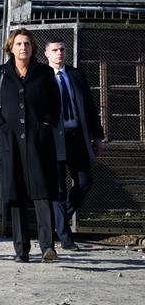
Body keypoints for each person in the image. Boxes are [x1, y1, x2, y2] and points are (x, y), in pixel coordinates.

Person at [0, 28, 60, 263]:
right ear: (11, 47)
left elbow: (54, 106)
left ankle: (48, 246)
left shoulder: (45, 73)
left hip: (38, 143)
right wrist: (0, 130)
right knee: (16, 195)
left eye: (27, 44)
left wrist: (45, 126)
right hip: (11, 144)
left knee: (42, 194)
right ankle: (21, 249)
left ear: (33, 48)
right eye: (18, 44)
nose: (23, 48)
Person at [44, 38, 105, 251]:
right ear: (47, 54)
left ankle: (59, 221)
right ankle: (64, 235)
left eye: (62, 49)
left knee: (84, 181)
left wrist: (97, 136)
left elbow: (89, 106)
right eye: (55, 50)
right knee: (58, 187)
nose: (59, 53)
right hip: (54, 138)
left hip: (77, 136)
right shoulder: (42, 77)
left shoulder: (75, 75)